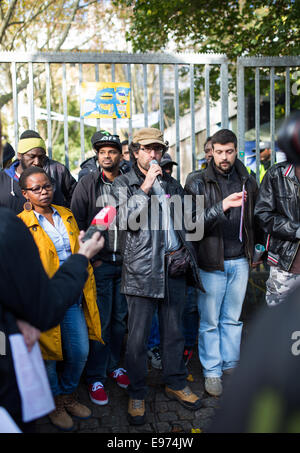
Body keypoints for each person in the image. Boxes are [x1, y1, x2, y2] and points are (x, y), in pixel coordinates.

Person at [111, 127, 203, 426]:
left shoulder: (173, 183)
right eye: (148, 149)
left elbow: (190, 222)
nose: (154, 155)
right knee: (136, 339)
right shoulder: (123, 183)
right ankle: (137, 392)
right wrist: (145, 188)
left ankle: (175, 382)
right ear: (135, 151)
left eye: (159, 150)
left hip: (174, 267)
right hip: (141, 270)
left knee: (174, 332)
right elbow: (124, 222)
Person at [0, 206, 104, 433]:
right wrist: (83, 257)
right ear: (25, 194)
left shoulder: (65, 215)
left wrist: (11, 321)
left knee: (79, 351)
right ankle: (55, 401)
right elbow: (43, 309)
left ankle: (67, 395)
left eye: (46, 186)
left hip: (61, 302)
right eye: (35, 188)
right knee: (48, 358)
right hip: (49, 300)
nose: (43, 192)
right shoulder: (9, 226)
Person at [185, 128, 259, 397]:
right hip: (210, 262)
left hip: (239, 260)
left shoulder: (247, 180)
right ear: (211, 152)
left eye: (229, 152)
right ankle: (212, 371)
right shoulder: (196, 181)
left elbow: (256, 219)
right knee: (210, 321)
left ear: (236, 151)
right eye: (219, 152)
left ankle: (231, 364)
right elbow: (191, 225)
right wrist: (223, 206)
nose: (224, 157)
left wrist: (255, 252)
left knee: (232, 318)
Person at [71, 130, 129, 407]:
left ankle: (114, 366)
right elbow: (78, 222)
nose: (107, 155)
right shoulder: (87, 183)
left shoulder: (130, 183)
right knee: (100, 322)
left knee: (119, 321)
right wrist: (91, 259)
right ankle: (95, 376)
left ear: (120, 154)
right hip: (101, 265)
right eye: (102, 151)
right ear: (97, 156)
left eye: (112, 151)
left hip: (128, 264)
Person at [254, 160, 300, 306]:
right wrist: (295, 230)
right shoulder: (277, 174)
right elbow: (262, 214)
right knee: (279, 321)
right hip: (286, 264)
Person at [0, 130, 76, 213]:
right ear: (19, 155)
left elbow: (75, 199)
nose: (37, 162)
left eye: (41, 157)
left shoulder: (54, 175)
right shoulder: (3, 179)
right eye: (32, 156)